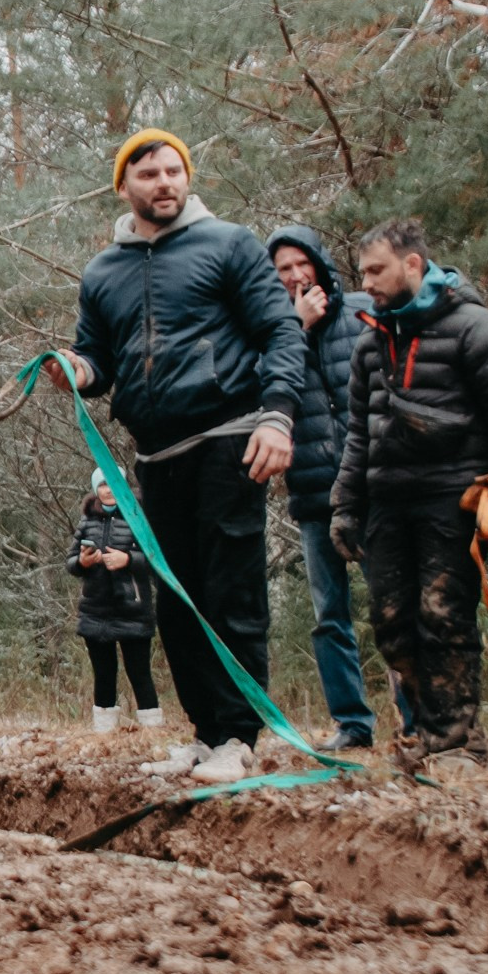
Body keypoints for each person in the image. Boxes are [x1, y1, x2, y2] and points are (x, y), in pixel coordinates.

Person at [55, 128, 305, 786]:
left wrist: (278, 417)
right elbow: (98, 361)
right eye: (148, 175)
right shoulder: (102, 272)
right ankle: (206, 734)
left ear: (185, 177)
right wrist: (75, 370)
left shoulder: (229, 245)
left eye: (173, 171)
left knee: (231, 589)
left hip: (229, 437)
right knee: (176, 597)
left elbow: (281, 330)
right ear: (123, 187)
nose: (164, 183)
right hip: (156, 455)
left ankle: (240, 737)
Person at [330, 216, 488, 768]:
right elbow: (358, 433)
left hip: (453, 498)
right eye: (362, 272)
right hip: (387, 503)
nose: (368, 281)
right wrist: (344, 505)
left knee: (443, 615)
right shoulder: (367, 342)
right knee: (391, 625)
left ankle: (457, 744)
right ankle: (431, 733)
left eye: (377, 270)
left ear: (413, 264)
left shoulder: (478, 328)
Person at [266, 225, 377, 753]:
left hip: (375, 488)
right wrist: (293, 327)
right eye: (282, 269)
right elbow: (258, 388)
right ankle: (353, 725)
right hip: (313, 495)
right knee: (330, 616)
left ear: (319, 263)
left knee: (394, 607)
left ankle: (419, 721)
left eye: (299, 264)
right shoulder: (271, 331)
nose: (293, 276)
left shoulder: (361, 310)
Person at [67, 472, 164, 735]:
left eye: (113, 483)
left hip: (133, 609)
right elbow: (71, 563)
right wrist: (83, 562)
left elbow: (156, 559)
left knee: (139, 673)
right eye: (102, 484)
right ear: (94, 489)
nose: (108, 490)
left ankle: (153, 733)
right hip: (95, 610)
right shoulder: (87, 520)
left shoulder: (137, 516)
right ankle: (104, 734)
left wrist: (128, 560)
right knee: (104, 674)